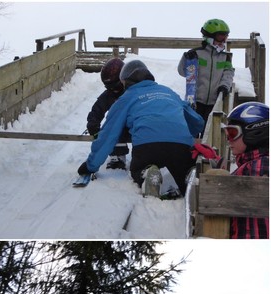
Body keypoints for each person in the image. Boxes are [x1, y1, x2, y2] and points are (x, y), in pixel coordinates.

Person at [77, 60, 205, 196]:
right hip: (180, 147)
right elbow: (197, 122)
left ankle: (146, 173)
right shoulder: (168, 92)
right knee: (182, 167)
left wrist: (90, 166)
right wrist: (184, 133)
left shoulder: (126, 98)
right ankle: (187, 176)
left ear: (126, 81)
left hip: (147, 147)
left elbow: (108, 134)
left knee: (138, 168)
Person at [222, 102, 269, 238]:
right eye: (226, 133)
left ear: (255, 131)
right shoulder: (250, 166)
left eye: (232, 133)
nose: (228, 140)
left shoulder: (260, 166)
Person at [177, 19, 234, 130]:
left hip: (215, 102)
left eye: (225, 37)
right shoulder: (197, 53)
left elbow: (228, 74)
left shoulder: (225, 56)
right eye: (220, 37)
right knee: (194, 129)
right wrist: (186, 58)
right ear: (209, 37)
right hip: (196, 101)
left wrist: (224, 86)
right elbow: (183, 72)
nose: (223, 41)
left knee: (210, 131)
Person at [86, 58, 130, 170]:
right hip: (120, 127)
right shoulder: (109, 95)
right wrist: (93, 123)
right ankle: (117, 155)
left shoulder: (133, 92)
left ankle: (144, 156)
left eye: (114, 86)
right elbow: (97, 109)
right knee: (113, 125)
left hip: (137, 126)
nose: (112, 90)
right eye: (108, 87)